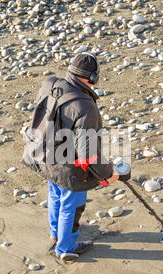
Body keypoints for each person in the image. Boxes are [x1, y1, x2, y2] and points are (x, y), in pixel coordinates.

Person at [32, 53, 119, 262]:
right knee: (72, 205)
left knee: (55, 194)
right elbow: (87, 153)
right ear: (93, 77)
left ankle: (55, 232)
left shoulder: (50, 83)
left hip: (45, 156)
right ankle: (66, 249)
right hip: (68, 168)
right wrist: (108, 174)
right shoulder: (86, 107)